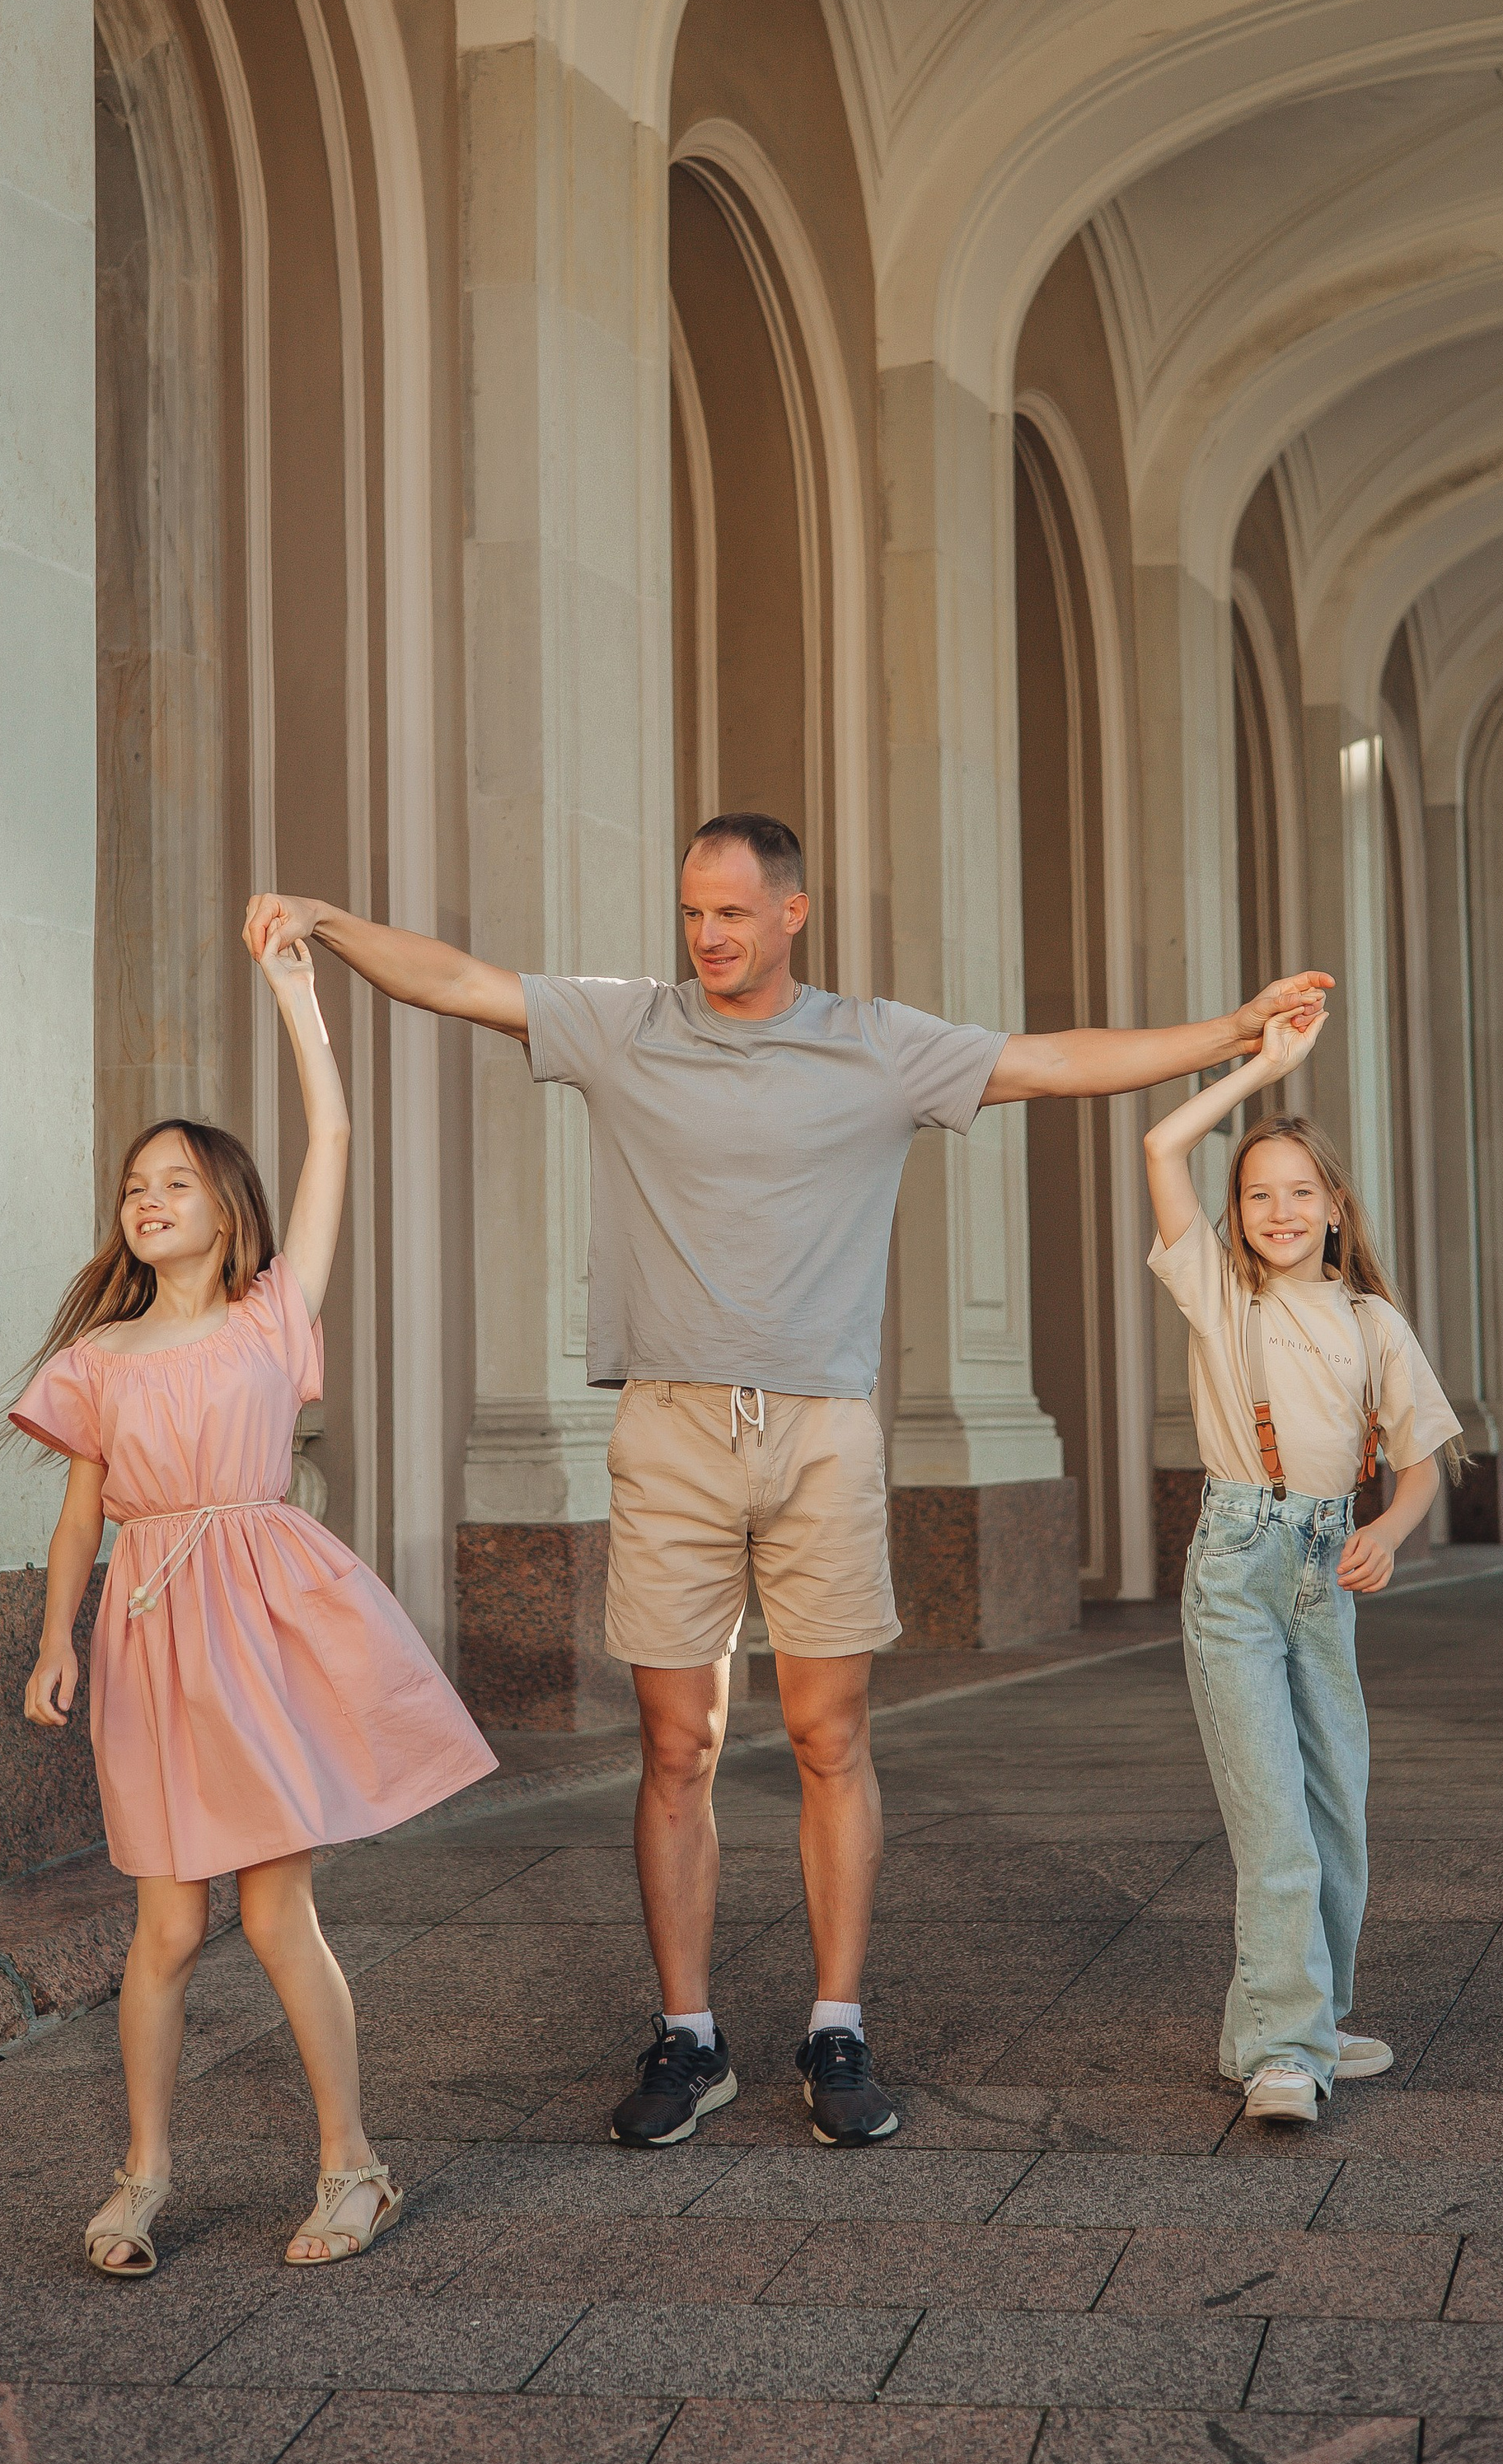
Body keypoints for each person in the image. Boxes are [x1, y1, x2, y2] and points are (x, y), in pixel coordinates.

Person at [245, 816, 1330, 2150]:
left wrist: (1232, 1031)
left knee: (828, 1739)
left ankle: (835, 2026)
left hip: (821, 1430)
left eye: (733, 914)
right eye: (693, 912)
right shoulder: (622, 1027)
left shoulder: (875, 1045)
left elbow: (1049, 1063)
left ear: (793, 912)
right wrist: (331, 922)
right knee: (676, 1746)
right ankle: (689, 2039)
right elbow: (463, 981)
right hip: (670, 1429)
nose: (708, 937)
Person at [16, 919, 495, 2275]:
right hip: (149, 1633)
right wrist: (57, 1639)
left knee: (278, 1909)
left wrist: (299, 1000)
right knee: (167, 1922)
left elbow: (333, 1147)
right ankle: (144, 2171)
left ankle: (355, 2164)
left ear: (227, 1209)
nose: (148, 1197)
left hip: (260, 1628)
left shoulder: (270, 1317)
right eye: (133, 1187)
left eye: (176, 1181)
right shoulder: (101, 1355)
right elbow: (75, 1517)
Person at [1142, 1002, 1463, 2124]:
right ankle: (1288, 2048)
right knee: (1273, 1821)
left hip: (1328, 1573)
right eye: (1257, 1193)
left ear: (1335, 1207)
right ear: (1237, 1215)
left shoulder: (1373, 1320)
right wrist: (1258, 1067)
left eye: (1298, 1191)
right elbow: (1159, 1146)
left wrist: (1386, 1530)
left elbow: (1421, 1462)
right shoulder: (1219, 1297)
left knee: (1335, 1818)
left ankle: (1288, 2024)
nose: (1277, 1210)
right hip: (1235, 1566)